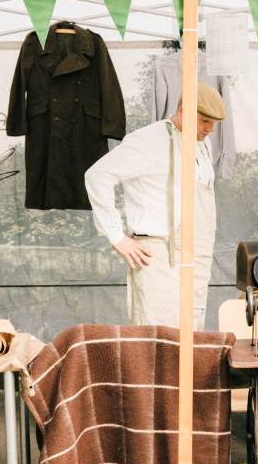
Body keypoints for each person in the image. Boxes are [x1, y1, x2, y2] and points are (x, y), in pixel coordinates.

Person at [85, 82, 226, 329]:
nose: (210, 129)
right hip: (159, 254)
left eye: (214, 123)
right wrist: (116, 236)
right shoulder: (148, 141)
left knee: (191, 332)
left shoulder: (203, 143)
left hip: (196, 256)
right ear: (183, 110)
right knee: (157, 336)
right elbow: (98, 176)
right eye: (205, 121)